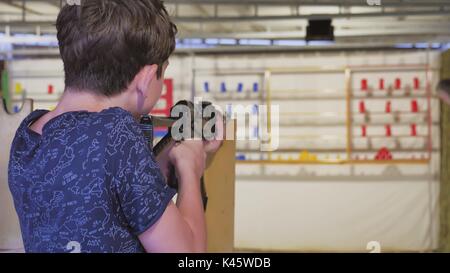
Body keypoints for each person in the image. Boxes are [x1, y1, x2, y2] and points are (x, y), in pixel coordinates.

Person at [8, 0, 221, 253]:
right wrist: (190, 166)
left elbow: (98, 189)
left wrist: (160, 162)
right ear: (145, 78)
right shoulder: (116, 132)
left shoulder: (27, 136)